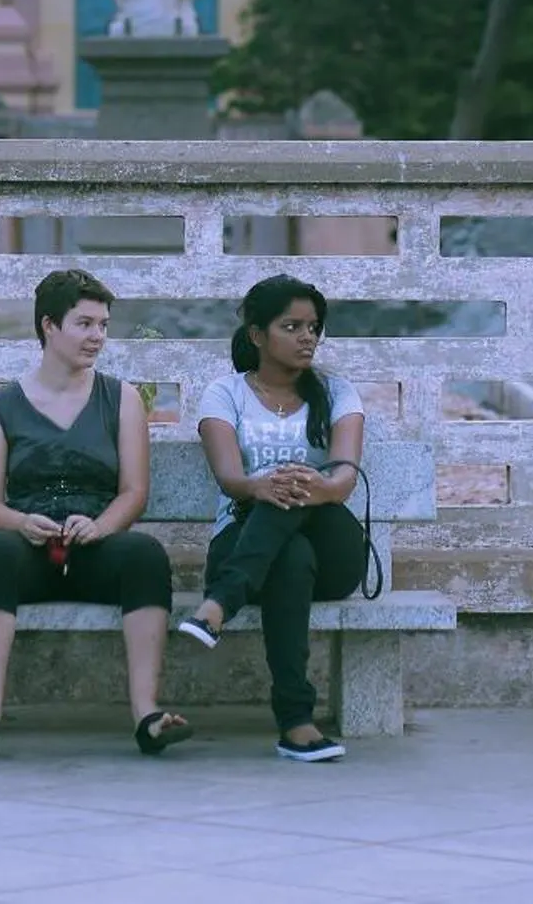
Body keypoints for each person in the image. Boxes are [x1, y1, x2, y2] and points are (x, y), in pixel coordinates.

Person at [0, 266, 191, 759]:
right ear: (48, 326)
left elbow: (133, 492)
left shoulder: (120, 399)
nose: (97, 336)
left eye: (102, 325)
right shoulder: (2, 405)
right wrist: (19, 523)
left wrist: (101, 526)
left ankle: (147, 713)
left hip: (96, 546)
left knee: (144, 554)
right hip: (31, 548)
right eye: (84, 324)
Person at [177, 275, 365, 762]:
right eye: (292, 326)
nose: (308, 337)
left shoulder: (339, 393)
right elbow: (230, 480)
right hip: (246, 539)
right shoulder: (225, 394)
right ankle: (297, 724)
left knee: (295, 494)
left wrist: (315, 486)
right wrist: (259, 485)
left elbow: (344, 476)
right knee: (289, 552)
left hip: (333, 552)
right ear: (258, 335)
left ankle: (219, 604)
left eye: (314, 327)